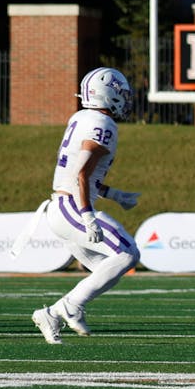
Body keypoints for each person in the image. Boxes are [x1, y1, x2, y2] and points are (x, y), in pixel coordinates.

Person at [30, 67, 141, 345]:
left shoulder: (82, 117)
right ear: (107, 95)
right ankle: (70, 307)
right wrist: (88, 217)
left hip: (63, 205)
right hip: (71, 207)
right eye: (120, 93)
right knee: (128, 253)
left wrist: (115, 195)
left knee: (107, 269)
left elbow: (84, 175)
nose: (124, 99)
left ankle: (52, 314)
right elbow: (80, 172)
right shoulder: (103, 125)